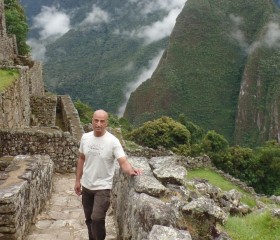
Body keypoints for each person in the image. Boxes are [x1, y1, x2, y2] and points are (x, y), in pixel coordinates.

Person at [74, 109, 142, 240]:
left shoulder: (113, 141)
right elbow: (81, 158)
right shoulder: (85, 138)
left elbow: (122, 161)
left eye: (102, 121)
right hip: (86, 186)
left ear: (106, 123)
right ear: (92, 121)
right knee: (89, 219)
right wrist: (78, 180)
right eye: (96, 120)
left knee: (97, 218)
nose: (98, 124)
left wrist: (131, 171)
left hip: (103, 187)